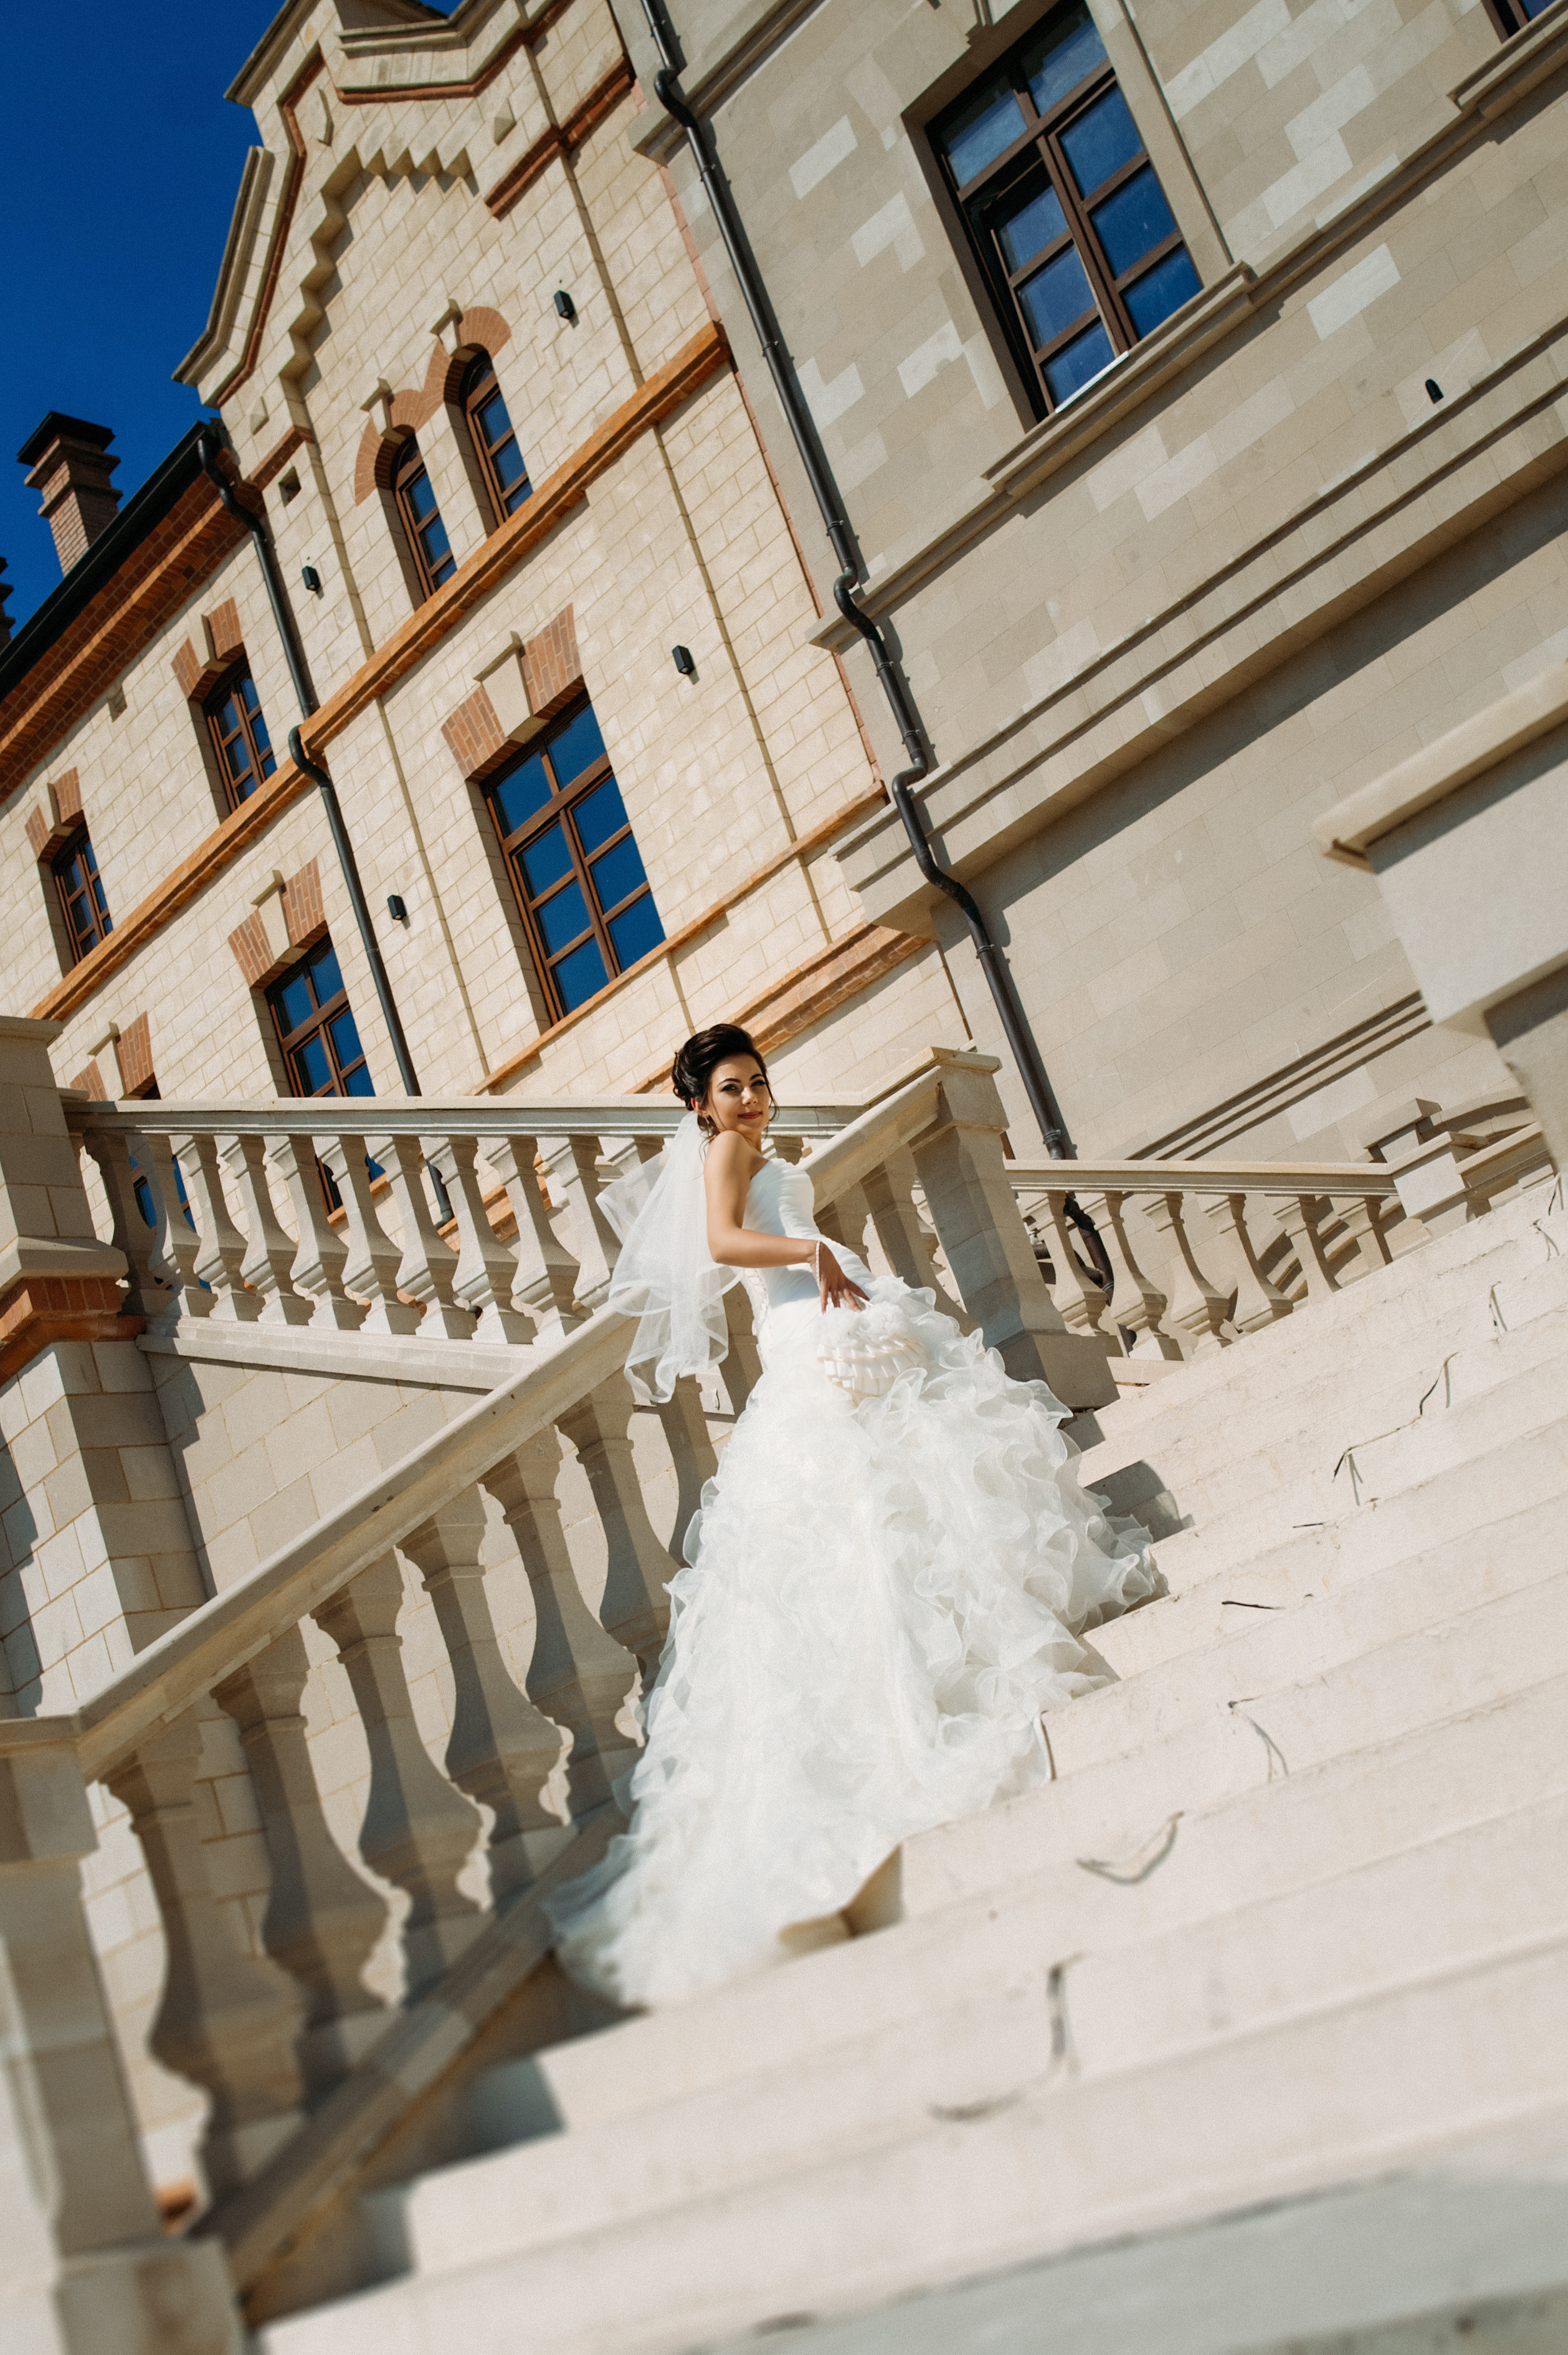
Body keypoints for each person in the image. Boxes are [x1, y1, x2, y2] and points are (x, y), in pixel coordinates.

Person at [546, 1024, 1154, 2007]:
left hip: (826, 1324)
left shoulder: (749, 1147)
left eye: (758, 1083)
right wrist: (815, 1257)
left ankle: (934, 1664)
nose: (751, 1100)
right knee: (862, 1519)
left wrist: (830, 1268)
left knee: (894, 1510)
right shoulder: (724, 1153)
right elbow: (723, 1242)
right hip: (810, 1336)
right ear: (701, 1104)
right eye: (733, 1088)